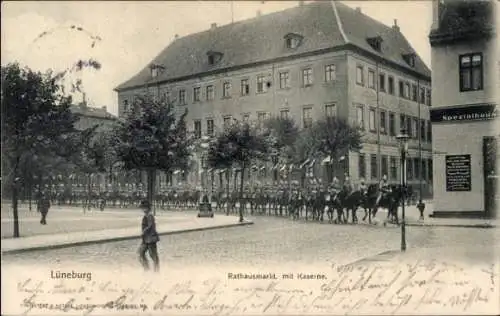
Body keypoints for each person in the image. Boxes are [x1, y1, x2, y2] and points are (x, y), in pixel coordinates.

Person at [138, 200, 160, 272]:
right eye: (142, 208)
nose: (143, 209)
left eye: (144, 208)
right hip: (146, 238)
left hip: (151, 238)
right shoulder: (146, 215)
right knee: (140, 253)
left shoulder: (150, 216)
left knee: (153, 255)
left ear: (148, 208)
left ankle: (156, 271)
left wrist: (143, 231)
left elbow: (150, 226)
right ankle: (146, 269)